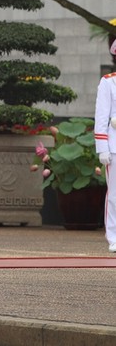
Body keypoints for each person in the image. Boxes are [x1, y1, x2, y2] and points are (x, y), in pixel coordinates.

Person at [94, 38, 116, 253]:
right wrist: (103, 148)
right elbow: (101, 117)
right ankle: (114, 235)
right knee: (115, 194)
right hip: (114, 145)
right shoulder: (109, 83)